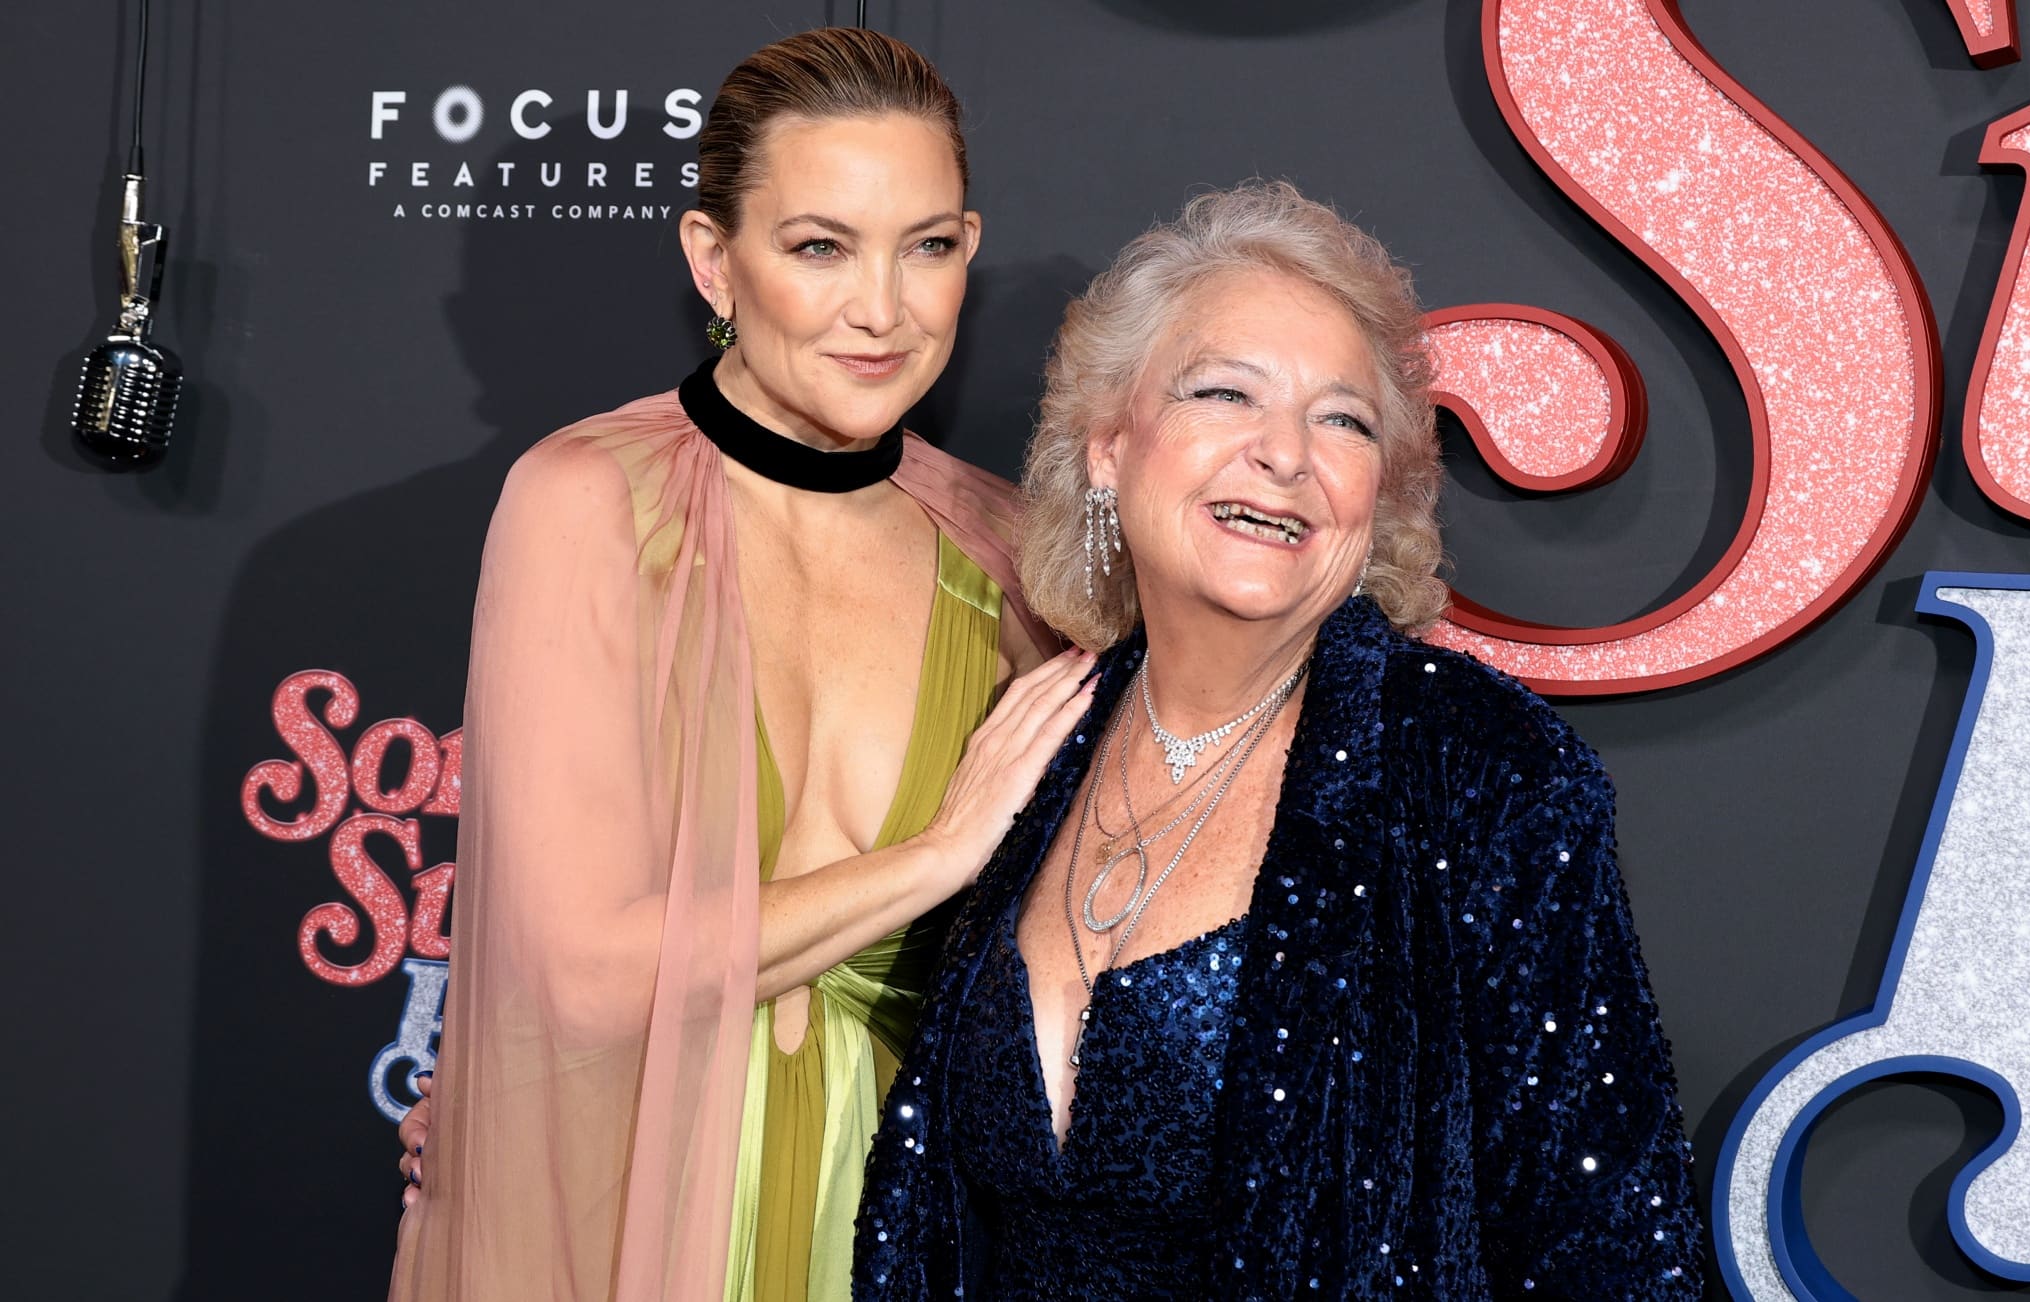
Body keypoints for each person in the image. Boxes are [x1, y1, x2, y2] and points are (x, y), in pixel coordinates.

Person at [854, 181, 1706, 1299]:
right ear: (1109, 446)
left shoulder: (1479, 768)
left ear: (1378, 492)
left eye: (1342, 420)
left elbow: (1610, 1245)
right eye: (1224, 393)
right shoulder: (1037, 738)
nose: (1285, 454)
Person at [387, 28, 1093, 1302]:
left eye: (925, 248)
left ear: (968, 253)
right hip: (632, 1213)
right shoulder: (585, 503)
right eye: (818, 247)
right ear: (714, 259)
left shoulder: (1008, 551)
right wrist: (938, 857)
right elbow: (588, 978)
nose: (880, 310)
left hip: (905, 1220)